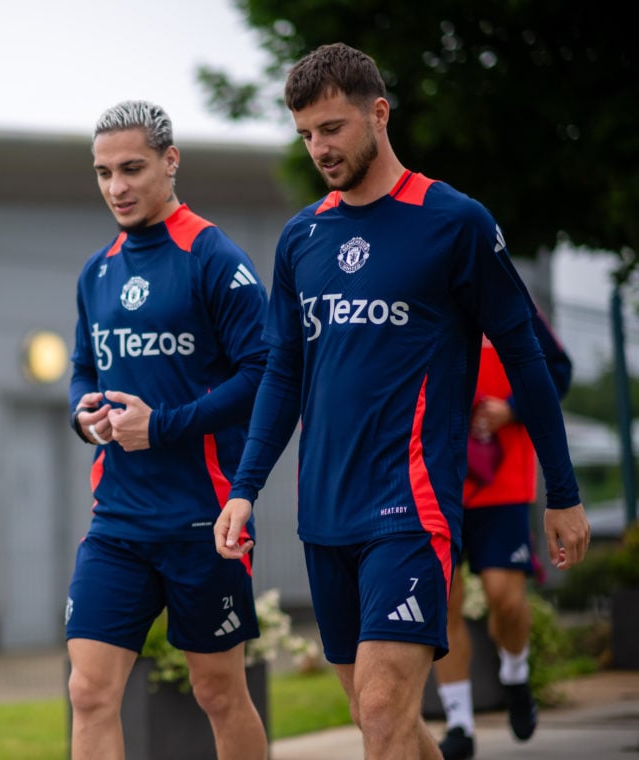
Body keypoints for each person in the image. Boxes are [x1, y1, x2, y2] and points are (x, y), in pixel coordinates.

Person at [213, 42, 591, 760]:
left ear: (378, 113)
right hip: (325, 515)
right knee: (376, 717)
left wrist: (563, 492)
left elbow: (528, 360)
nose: (319, 147)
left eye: (333, 128)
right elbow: (283, 376)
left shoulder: (455, 223)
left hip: (411, 510)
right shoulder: (301, 239)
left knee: (385, 710)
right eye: (306, 135)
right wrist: (243, 489)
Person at [65, 99, 270, 760]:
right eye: (103, 173)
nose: (116, 187)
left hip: (203, 518)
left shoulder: (213, 256)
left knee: (217, 692)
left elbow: (264, 371)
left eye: (131, 169)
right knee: (89, 692)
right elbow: (81, 370)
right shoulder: (96, 273)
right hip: (117, 521)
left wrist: (165, 427)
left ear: (170, 161)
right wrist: (83, 416)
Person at [434, 311, 573, 760]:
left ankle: (515, 673)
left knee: (506, 598)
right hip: (437, 480)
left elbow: (557, 370)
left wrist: (511, 409)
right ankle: (459, 724)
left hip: (504, 478)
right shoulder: (420, 287)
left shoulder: (508, 298)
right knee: (445, 601)